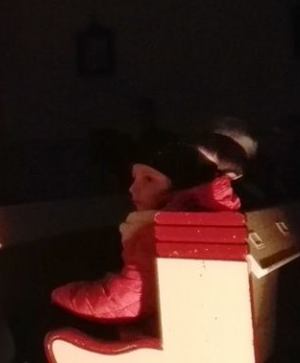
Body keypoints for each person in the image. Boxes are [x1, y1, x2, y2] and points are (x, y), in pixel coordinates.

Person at [50, 129, 254, 335]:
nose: (132, 189)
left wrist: (61, 294)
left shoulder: (163, 229)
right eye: (135, 179)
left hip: (163, 333)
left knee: (53, 318)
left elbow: (130, 299)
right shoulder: (198, 214)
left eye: (148, 179)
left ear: (178, 188)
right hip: (189, 323)